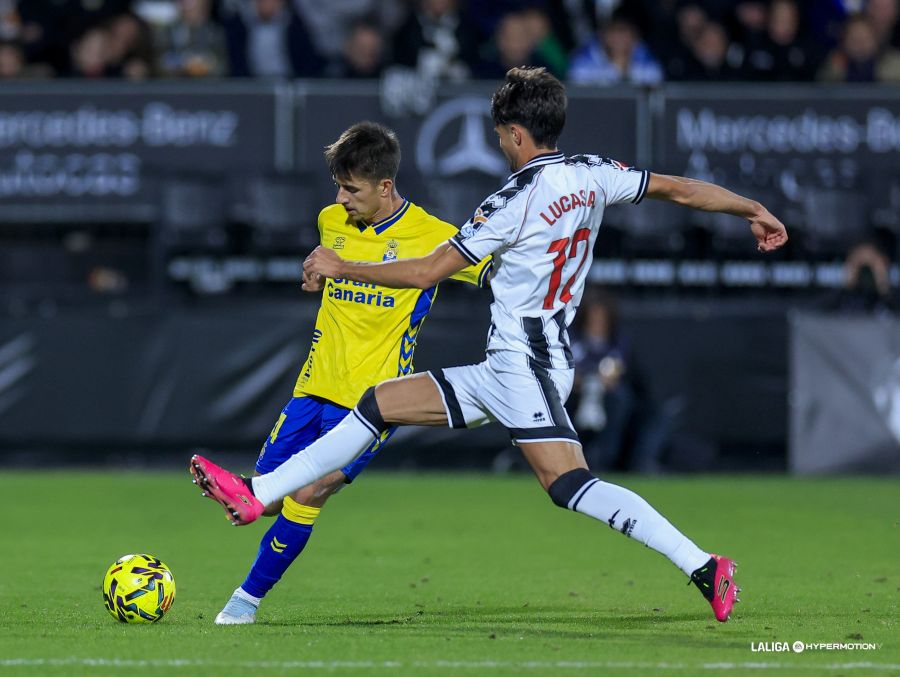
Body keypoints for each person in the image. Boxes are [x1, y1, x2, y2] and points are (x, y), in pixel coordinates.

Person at [191, 67, 788, 623]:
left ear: (516, 133)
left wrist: (345, 266)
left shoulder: (510, 202)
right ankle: (258, 493)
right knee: (378, 403)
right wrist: (751, 208)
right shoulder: (593, 172)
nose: (500, 143)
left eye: (500, 133)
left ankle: (704, 565)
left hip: (526, 368)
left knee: (569, 486)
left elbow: (427, 271)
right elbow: (679, 189)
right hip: (506, 364)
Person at [210, 121, 492, 625]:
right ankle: (249, 494)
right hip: (312, 389)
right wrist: (315, 272)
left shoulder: (435, 237)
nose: (340, 198)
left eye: (351, 189)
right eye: (338, 186)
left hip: (372, 402)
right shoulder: (331, 220)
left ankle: (243, 602)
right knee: (268, 499)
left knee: (310, 491)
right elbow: (328, 268)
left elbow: (495, 271)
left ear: (385, 186)